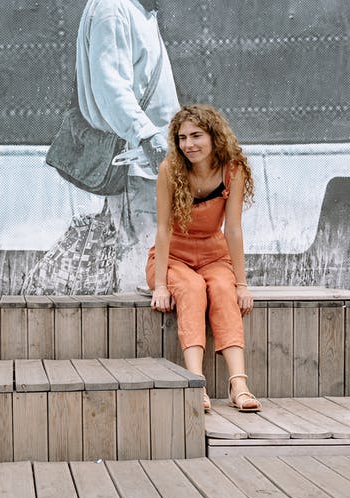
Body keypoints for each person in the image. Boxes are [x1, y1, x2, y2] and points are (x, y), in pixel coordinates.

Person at [147, 105, 261, 413]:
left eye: (196, 136)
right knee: (193, 288)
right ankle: (196, 383)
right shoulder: (170, 169)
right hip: (173, 257)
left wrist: (241, 283)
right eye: (182, 138)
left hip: (213, 253)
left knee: (223, 291)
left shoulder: (232, 169)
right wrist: (160, 285)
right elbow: (162, 229)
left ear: (214, 137)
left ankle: (239, 384)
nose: (189, 144)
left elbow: (233, 229)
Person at [75, 0, 179, 293]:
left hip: (149, 166)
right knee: (141, 272)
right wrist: (147, 137)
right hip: (138, 166)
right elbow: (110, 86)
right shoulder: (113, 8)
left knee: (153, 269)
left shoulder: (138, 11)